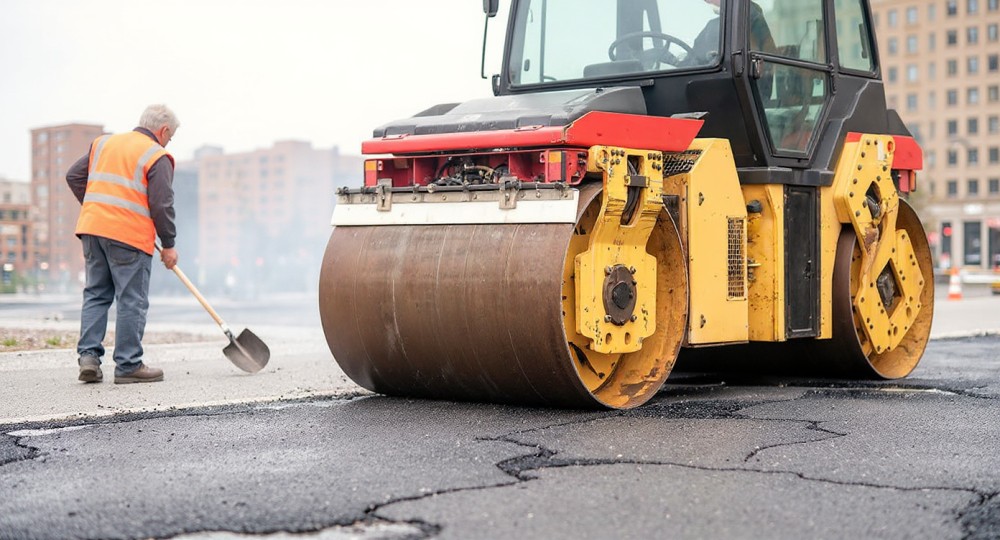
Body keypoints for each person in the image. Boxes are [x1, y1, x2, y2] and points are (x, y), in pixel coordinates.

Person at [65, 104, 181, 384]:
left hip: (93, 229)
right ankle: (129, 365)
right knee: (131, 299)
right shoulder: (157, 155)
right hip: (129, 237)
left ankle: (89, 359)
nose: (168, 142)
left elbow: (74, 176)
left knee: (96, 294)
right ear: (164, 130)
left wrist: (97, 209)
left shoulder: (104, 144)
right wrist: (168, 244)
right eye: (171, 136)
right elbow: (162, 204)